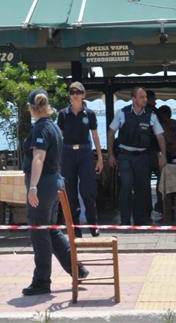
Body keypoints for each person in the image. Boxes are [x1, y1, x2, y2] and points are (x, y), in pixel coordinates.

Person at [21, 88, 88, 296]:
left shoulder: (41, 129)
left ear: (31, 108)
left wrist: (33, 187)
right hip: (54, 182)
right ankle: (77, 269)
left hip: (43, 184)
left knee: (39, 232)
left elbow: (38, 157)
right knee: (51, 229)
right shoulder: (53, 127)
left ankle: (41, 281)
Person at [107, 86, 167, 225]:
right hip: (125, 156)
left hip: (142, 156)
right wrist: (110, 155)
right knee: (126, 185)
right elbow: (110, 133)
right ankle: (125, 220)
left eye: (146, 97)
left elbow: (160, 136)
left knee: (142, 187)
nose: (145, 99)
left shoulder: (151, 115)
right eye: (142, 97)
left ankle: (140, 219)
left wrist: (163, 155)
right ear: (133, 99)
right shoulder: (122, 113)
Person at [56, 81, 104, 237]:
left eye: (78, 92)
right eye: (72, 92)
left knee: (87, 191)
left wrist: (100, 158)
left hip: (85, 153)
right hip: (67, 153)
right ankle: (75, 229)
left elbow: (95, 136)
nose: (75, 95)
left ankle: (93, 225)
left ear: (83, 95)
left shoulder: (89, 114)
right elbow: (58, 137)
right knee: (70, 193)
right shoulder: (63, 114)